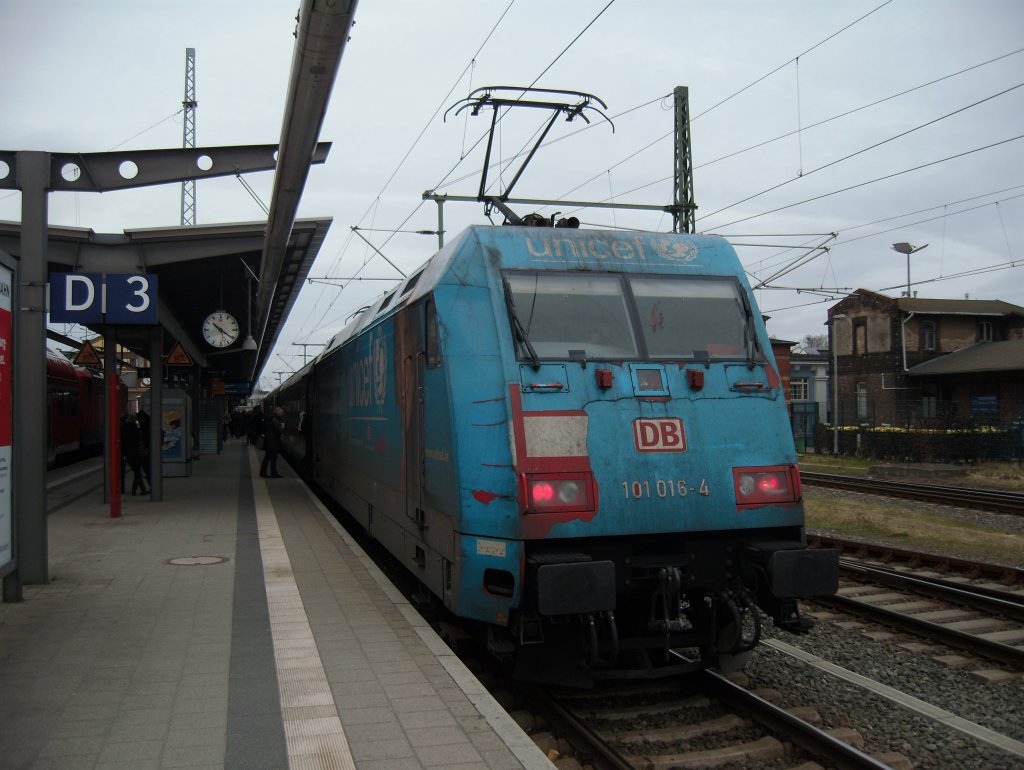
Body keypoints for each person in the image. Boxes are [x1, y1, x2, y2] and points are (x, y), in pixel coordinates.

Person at [121, 413, 149, 496]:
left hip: (129, 453)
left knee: (137, 472)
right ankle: (138, 490)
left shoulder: (123, 429)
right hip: (137, 453)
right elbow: (140, 440)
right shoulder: (136, 429)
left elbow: (123, 443)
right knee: (137, 472)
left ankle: (138, 490)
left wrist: (123, 452)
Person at [259, 407, 284, 478]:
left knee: (267, 458)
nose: (282, 414)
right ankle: (274, 473)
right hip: (273, 442)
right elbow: (279, 431)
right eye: (281, 413)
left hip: (269, 441)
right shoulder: (275, 420)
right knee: (273, 459)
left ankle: (263, 472)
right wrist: (282, 427)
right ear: (278, 413)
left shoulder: (270, 419)